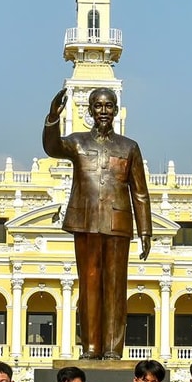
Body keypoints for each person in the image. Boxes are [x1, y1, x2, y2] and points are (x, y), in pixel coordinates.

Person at [42, 84, 152, 359]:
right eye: (99, 106)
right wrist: (52, 118)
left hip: (118, 223)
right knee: (89, 285)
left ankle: (114, 350)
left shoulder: (129, 147)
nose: (104, 111)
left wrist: (146, 231)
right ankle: (91, 347)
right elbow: (52, 147)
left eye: (109, 106)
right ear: (90, 110)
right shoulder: (77, 142)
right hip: (86, 221)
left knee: (116, 288)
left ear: (116, 110)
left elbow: (139, 191)